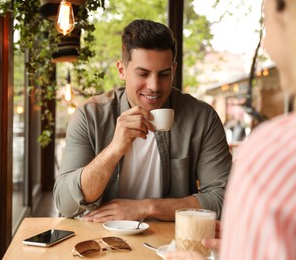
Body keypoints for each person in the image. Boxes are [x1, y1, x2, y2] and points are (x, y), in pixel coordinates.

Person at [167, 0, 296, 259]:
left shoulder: (277, 152)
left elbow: (220, 195)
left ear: (291, 20)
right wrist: (249, 241)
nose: (268, 44)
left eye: (266, 22)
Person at [53, 19, 232, 223]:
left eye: (164, 74)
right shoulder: (90, 116)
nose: (154, 86)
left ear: (173, 70)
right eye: (143, 73)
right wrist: (114, 149)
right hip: (100, 241)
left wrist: (147, 208)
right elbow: (65, 203)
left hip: (170, 243)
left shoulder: (202, 118)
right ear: (122, 70)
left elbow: (225, 200)